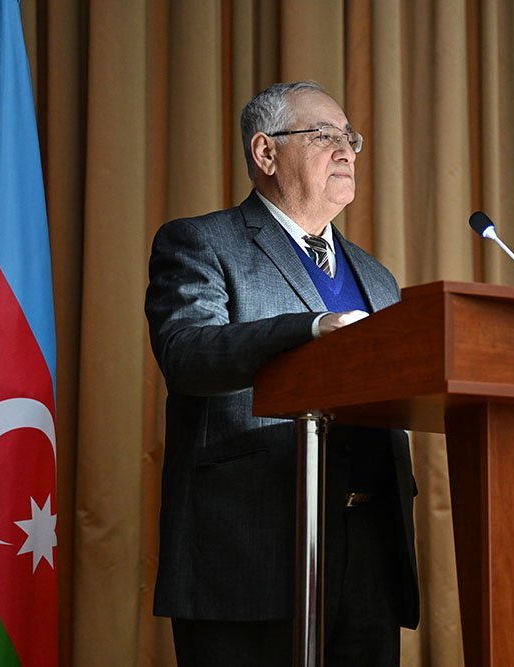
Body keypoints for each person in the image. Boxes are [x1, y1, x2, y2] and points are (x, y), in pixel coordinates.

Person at [144, 81, 419, 666]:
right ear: (265, 152)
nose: (345, 150)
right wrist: (311, 328)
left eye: (350, 138)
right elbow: (186, 354)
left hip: (370, 552)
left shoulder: (377, 276)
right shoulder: (201, 242)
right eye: (323, 135)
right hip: (250, 545)